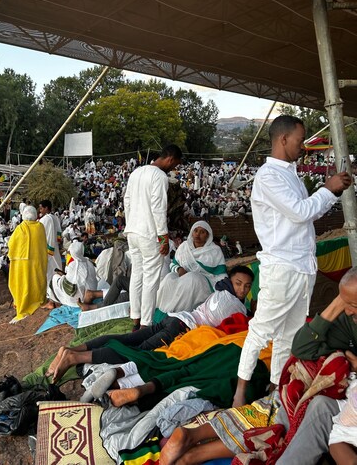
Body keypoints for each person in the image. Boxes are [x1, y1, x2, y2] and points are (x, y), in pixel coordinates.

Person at [159, 266, 357, 465]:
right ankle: (194, 447)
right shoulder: (349, 320)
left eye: (352, 305)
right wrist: (337, 304)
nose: (347, 310)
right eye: (345, 303)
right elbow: (301, 348)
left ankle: (194, 447)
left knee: (275, 415)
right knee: (276, 408)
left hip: (332, 403)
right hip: (303, 392)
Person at [233, 115, 351, 407]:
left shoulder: (289, 175)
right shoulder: (268, 176)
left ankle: (275, 390)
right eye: (300, 140)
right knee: (261, 331)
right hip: (282, 267)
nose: (303, 145)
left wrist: (328, 192)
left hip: (301, 267)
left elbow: (306, 214)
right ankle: (239, 395)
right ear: (283, 139)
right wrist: (329, 189)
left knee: (291, 335)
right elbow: (301, 212)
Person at [45, 266, 254, 384]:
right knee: (136, 353)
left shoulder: (221, 292)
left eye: (247, 286)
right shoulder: (234, 304)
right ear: (230, 280)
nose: (242, 290)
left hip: (175, 318)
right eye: (238, 283)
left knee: (126, 339)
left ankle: (69, 350)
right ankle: (74, 357)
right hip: (181, 329)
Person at [124, 144, 183, 328]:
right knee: (150, 279)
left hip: (132, 231)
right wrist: (163, 237)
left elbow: (126, 201)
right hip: (149, 234)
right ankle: (145, 324)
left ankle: (135, 318)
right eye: (175, 165)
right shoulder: (159, 176)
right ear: (171, 159)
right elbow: (158, 208)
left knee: (137, 275)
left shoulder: (136, 173)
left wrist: (130, 223)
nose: (174, 169)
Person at [156, 221, 227, 313]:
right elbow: (173, 264)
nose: (197, 235)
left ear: (208, 235)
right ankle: (160, 309)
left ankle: (178, 313)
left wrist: (222, 292)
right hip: (184, 279)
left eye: (202, 232)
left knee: (192, 277)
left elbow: (221, 274)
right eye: (196, 231)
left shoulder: (215, 250)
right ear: (192, 232)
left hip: (205, 283)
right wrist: (179, 269)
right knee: (169, 278)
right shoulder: (184, 247)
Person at [8, 205, 48, 323]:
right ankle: (39, 303)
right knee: (37, 282)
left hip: (23, 265)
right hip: (38, 263)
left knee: (24, 285)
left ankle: (24, 308)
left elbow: (11, 244)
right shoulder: (40, 227)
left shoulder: (20, 228)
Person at [47, 240, 97, 307]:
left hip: (78, 299)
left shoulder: (73, 265)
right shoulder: (89, 262)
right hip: (92, 292)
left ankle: (54, 300)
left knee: (55, 278)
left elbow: (69, 288)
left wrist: (62, 277)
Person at [38, 200, 62, 285]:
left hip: (46, 248)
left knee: (48, 271)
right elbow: (59, 234)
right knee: (57, 267)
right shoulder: (55, 217)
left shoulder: (44, 220)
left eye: (41, 208)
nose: (40, 210)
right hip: (55, 247)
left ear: (46, 208)